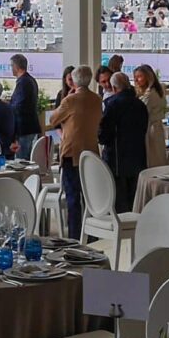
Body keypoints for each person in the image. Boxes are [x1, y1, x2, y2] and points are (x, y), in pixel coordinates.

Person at [48, 66, 101, 239]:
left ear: (75, 80)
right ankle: (92, 235)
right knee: (89, 197)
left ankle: (74, 237)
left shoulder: (70, 100)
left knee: (73, 198)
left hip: (72, 153)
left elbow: (53, 119)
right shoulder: (97, 99)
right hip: (92, 153)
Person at [99, 75, 149, 213]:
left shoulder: (112, 105)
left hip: (117, 160)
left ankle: (121, 229)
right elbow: (144, 129)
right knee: (135, 198)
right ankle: (135, 228)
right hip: (138, 158)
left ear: (114, 88)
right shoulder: (141, 105)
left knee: (120, 200)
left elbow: (104, 134)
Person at [132, 64, 169, 168]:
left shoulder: (150, 94)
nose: (136, 80)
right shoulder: (158, 90)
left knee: (154, 159)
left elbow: (141, 112)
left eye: (139, 77)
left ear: (148, 77)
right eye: (135, 77)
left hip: (152, 130)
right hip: (156, 128)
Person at [9, 53, 42, 160]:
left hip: (24, 128)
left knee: (22, 161)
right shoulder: (30, 80)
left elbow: (19, 106)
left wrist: (7, 106)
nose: (11, 69)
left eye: (11, 66)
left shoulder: (23, 82)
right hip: (30, 127)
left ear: (16, 67)